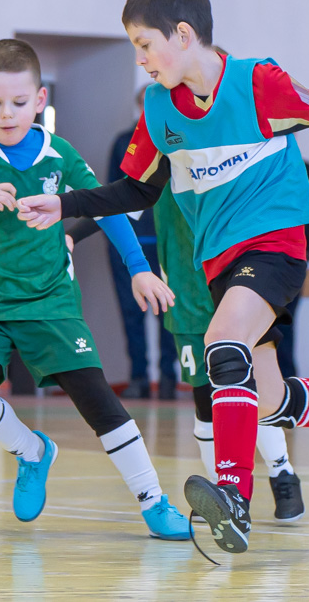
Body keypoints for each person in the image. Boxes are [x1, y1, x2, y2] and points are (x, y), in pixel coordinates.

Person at [17, 0, 309, 555]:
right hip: (219, 262)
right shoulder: (159, 109)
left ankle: (234, 497)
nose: (140, 59)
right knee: (270, 398)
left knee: (221, 344)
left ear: (182, 35)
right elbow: (136, 191)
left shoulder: (258, 82)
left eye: (144, 44)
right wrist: (65, 206)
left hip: (275, 243)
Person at [0, 39, 189, 540]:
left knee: (98, 400)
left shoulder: (60, 154)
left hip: (50, 301)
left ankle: (153, 502)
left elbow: (106, 207)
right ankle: (32, 452)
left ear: (40, 100)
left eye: (19, 102)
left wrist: (139, 268)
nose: (7, 113)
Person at [69, 177, 306, 523]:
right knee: (205, 402)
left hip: (241, 292)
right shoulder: (161, 177)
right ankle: (222, 495)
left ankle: (282, 472)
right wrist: (72, 235)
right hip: (188, 302)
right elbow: (114, 205)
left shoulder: (231, 166)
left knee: (257, 394)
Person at [107, 86, 178, 400]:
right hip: (128, 243)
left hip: (166, 242)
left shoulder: (176, 138)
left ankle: (168, 378)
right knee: (132, 313)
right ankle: (138, 376)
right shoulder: (123, 143)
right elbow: (110, 194)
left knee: (168, 313)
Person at [276, 160, 309, 379]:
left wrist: (306, 252)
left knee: (284, 324)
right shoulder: (252, 163)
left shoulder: (302, 167)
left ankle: (287, 383)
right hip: (253, 257)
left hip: (291, 260)